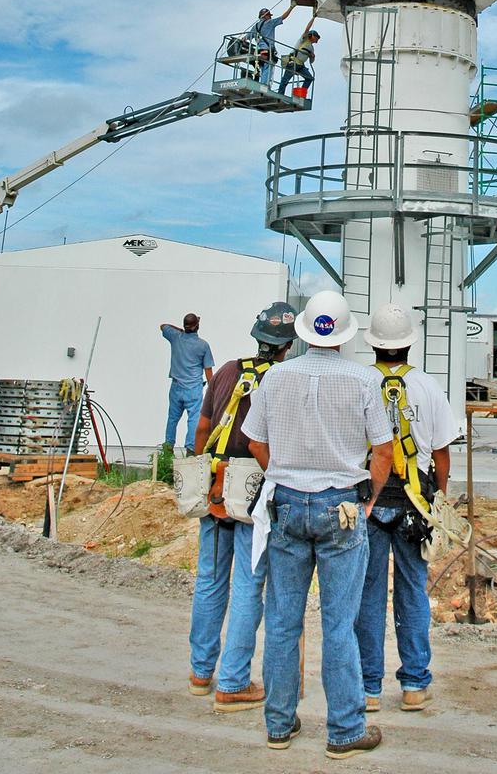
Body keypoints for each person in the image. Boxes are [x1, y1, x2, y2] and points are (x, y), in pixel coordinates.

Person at [241, 290, 393, 759]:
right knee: (338, 623)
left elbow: (255, 443)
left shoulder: (276, 377)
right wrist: (366, 500)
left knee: (284, 621)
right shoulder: (364, 380)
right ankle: (345, 730)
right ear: (346, 334)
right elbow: (383, 450)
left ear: (304, 330)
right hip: (341, 504)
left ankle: (279, 723)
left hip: (286, 503)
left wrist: (282, 473)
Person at [187, 303, 297, 710]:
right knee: (249, 587)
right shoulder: (284, 380)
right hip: (254, 493)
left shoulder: (228, 372)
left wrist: (204, 474)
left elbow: (202, 427)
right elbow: (268, 442)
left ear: (257, 337)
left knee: (210, 581)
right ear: (288, 345)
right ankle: (232, 682)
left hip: (215, 490)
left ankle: (201, 672)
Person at [355, 303, 458, 714]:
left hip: (369, 501)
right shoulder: (429, 388)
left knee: (369, 593)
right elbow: (442, 453)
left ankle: (368, 689)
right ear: (410, 344)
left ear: (374, 346)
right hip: (416, 504)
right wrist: (440, 501)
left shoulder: (361, 383)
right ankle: (415, 684)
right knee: (413, 592)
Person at [160, 313, 214, 455]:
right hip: (194, 389)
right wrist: (213, 390)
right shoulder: (203, 345)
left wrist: (182, 330)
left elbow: (163, 326)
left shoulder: (175, 337)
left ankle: (168, 448)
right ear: (197, 326)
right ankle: (191, 450)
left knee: (172, 418)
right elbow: (208, 370)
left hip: (176, 387)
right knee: (193, 420)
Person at [247, 2, 295, 84]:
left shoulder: (255, 26)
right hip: (266, 50)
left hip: (258, 51)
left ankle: (261, 84)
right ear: (265, 16)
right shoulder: (269, 23)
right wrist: (292, 7)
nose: (270, 17)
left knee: (262, 67)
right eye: (269, 15)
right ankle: (264, 86)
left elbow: (247, 37)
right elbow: (283, 17)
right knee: (268, 66)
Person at [277, 15, 319, 95]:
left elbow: (311, 61)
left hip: (300, 65)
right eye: (317, 37)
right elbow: (307, 29)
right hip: (293, 63)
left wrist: (313, 56)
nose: (317, 39)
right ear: (313, 36)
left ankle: (300, 94)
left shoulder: (311, 48)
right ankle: (280, 94)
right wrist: (313, 18)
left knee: (309, 78)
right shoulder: (303, 40)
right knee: (285, 80)